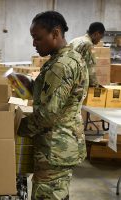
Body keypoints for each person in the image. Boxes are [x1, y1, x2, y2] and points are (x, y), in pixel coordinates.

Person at [18, 11, 88, 200]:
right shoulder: (71, 58)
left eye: (38, 38)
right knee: (58, 192)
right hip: (63, 143)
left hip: (55, 147)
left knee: (47, 195)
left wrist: (16, 127)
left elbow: (48, 114)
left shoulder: (61, 66)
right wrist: (30, 86)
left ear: (55, 33)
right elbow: (56, 96)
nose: (34, 43)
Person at [69, 22, 105, 87]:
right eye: (100, 38)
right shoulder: (88, 45)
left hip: (67, 80)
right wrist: (95, 85)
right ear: (96, 34)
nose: (99, 41)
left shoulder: (75, 40)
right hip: (76, 85)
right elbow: (90, 67)